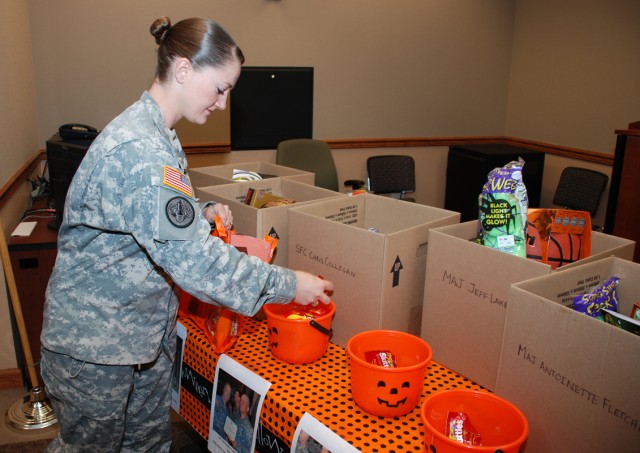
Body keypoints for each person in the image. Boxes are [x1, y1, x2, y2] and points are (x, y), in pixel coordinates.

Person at [39, 16, 333, 453]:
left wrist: (200, 211)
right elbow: (197, 263)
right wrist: (290, 285)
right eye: (221, 88)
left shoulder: (159, 136)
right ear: (183, 69)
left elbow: (152, 215)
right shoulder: (142, 151)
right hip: (97, 349)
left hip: (137, 338)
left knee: (148, 443)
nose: (222, 104)